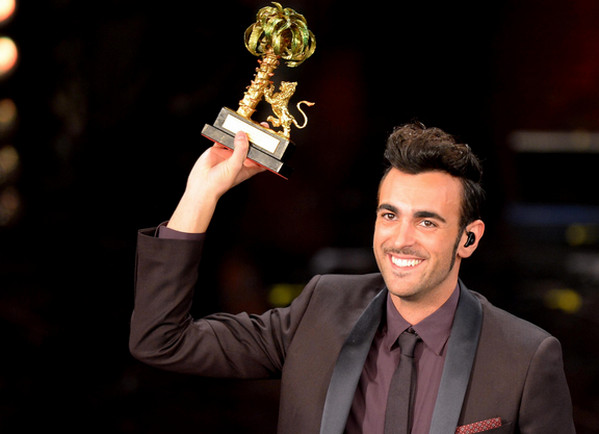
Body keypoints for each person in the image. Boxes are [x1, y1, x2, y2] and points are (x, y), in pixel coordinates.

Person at [129, 123, 575, 434]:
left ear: (468, 238)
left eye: (426, 222)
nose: (400, 240)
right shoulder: (321, 309)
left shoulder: (526, 357)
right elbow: (161, 341)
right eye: (389, 215)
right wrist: (201, 192)